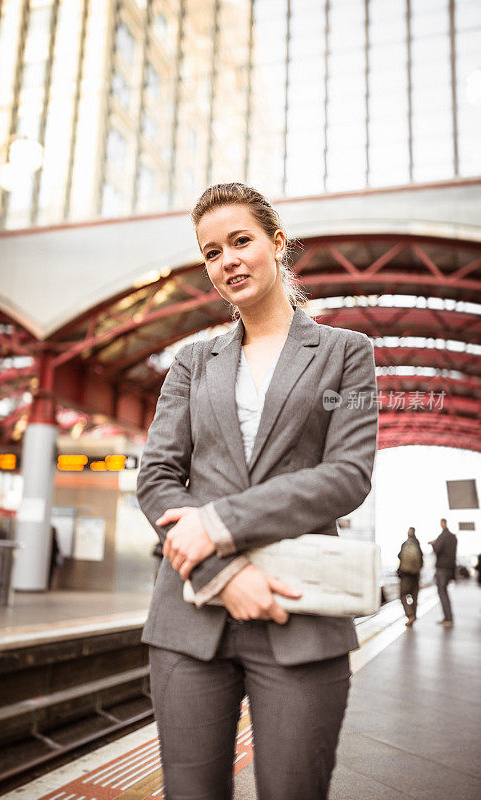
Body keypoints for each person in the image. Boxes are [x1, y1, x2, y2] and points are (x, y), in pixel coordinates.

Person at [135, 182, 379, 800]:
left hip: (299, 614)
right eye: (212, 252)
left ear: (277, 244)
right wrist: (221, 572)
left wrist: (220, 525)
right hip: (190, 618)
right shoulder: (193, 363)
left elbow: (348, 473)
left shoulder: (347, 355)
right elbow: (159, 477)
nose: (227, 261)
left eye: (240, 241)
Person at [429, 518, 457, 627]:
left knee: (442, 593)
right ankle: (448, 617)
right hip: (450, 568)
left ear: (443, 523)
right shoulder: (453, 538)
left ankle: (448, 618)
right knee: (445, 593)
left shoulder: (443, 536)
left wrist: (433, 543)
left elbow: (437, 549)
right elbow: (453, 555)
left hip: (442, 569)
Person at [397, 526, 423, 627]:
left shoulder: (405, 544)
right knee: (415, 596)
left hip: (406, 574)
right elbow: (421, 559)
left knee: (403, 595)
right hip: (415, 574)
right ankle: (414, 616)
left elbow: (399, 556)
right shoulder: (417, 543)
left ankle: (410, 615)